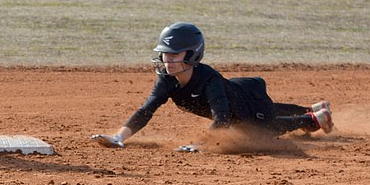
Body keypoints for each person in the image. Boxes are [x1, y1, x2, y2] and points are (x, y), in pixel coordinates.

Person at [91, 22, 332, 148]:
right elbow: (147, 109)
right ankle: (312, 108)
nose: (168, 60)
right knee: (270, 111)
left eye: (175, 54)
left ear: (193, 54)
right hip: (240, 95)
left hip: (246, 104)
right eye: (165, 54)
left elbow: (223, 118)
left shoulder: (210, 80)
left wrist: (202, 144)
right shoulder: (166, 78)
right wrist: (119, 137)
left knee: (262, 127)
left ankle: (313, 119)